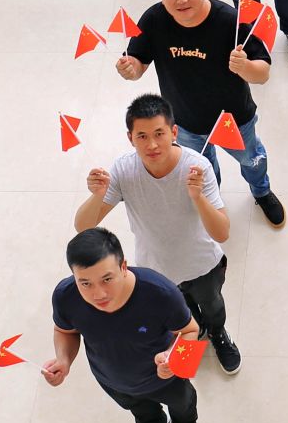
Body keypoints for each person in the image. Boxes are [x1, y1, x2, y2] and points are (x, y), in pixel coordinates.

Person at [116, 0, 287, 229]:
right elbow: (138, 63)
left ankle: (261, 191)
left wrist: (245, 67)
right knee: (201, 169)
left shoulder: (229, 21)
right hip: (184, 122)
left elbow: (263, 73)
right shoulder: (153, 20)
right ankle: (211, 201)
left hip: (234, 120)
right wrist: (130, 69)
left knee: (251, 160)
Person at [73, 93, 241, 374]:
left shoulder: (197, 167)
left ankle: (217, 333)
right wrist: (97, 195)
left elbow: (222, 232)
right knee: (181, 316)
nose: (151, 145)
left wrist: (198, 197)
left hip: (202, 264)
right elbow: (83, 227)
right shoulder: (124, 169)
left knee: (213, 306)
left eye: (159, 134)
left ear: (174, 132)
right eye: (142, 136)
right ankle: (194, 332)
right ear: (130, 138)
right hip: (156, 268)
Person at [41, 228, 209, 423]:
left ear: (123, 267)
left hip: (165, 378)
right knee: (138, 409)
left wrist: (175, 362)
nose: (98, 294)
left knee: (183, 407)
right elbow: (65, 330)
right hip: (111, 379)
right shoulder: (65, 296)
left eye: (106, 279)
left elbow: (191, 330)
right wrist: (64, 360)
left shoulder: (160, 293)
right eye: (85, 283)